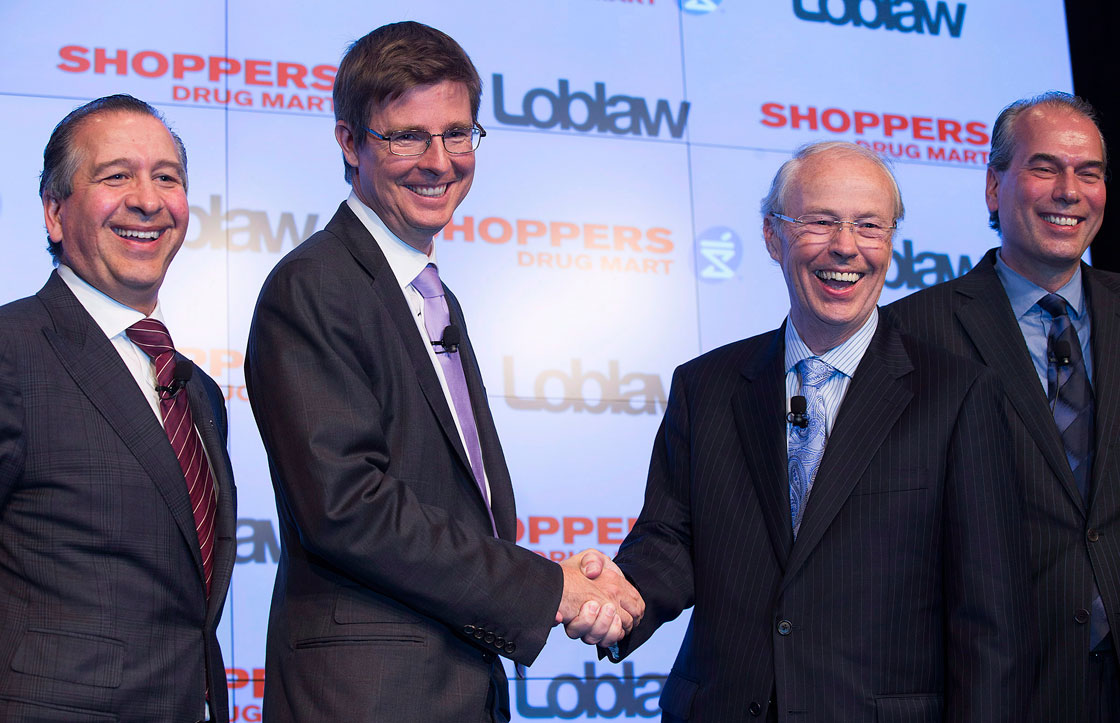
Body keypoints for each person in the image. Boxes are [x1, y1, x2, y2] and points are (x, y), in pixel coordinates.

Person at [244, 21, 641, 722]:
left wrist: (557, 581)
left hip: (450, 684)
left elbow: (445, 503)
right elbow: (349, 508)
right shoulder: (315, 285)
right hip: (366, 697)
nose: (440, 159)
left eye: (458, 133)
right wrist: (547, 587)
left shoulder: (430, 293)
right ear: (349, 142)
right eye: (407, 136)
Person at [575, 141, 1033, 721]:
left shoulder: (959, 395)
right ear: (773, 236)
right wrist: (622, 598)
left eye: (869, 225)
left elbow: (991, 621)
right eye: (820, 221)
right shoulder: (705, 386)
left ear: (891, 243)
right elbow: (671, 540)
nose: (846, 246)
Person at [0, 94, 236, 722]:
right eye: (116, 176)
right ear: (54, 212)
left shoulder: (198, 392)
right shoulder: (11, 350)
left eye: (167, 177)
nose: (148, 199)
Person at [887, 91, 1118, 722]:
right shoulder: (911, 334)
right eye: (1045, 168)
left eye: (1089, 173)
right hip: (990, 690)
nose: (1069, 191)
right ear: (994, 187)